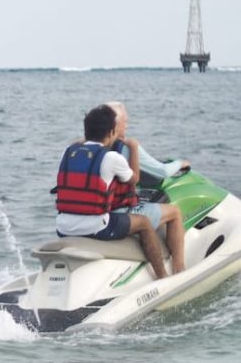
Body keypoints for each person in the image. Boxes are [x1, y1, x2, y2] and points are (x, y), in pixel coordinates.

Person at [54, 105, 169, 279]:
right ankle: (162, 277)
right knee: (144, 223)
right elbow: (134, 179)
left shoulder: (67, 152)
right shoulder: (111, 158)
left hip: (63, 227)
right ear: (111, 133)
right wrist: (134, 147)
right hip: (96, 227)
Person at [105, 101, 186, 274]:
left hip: (96, 211)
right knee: (175, 212)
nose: (127, 125)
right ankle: (179, 269)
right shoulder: (126, 147)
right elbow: (161, 171)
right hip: (117, 213)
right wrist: (180, 163)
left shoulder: (94, 146)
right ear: (116, 125)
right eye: (125, 122)